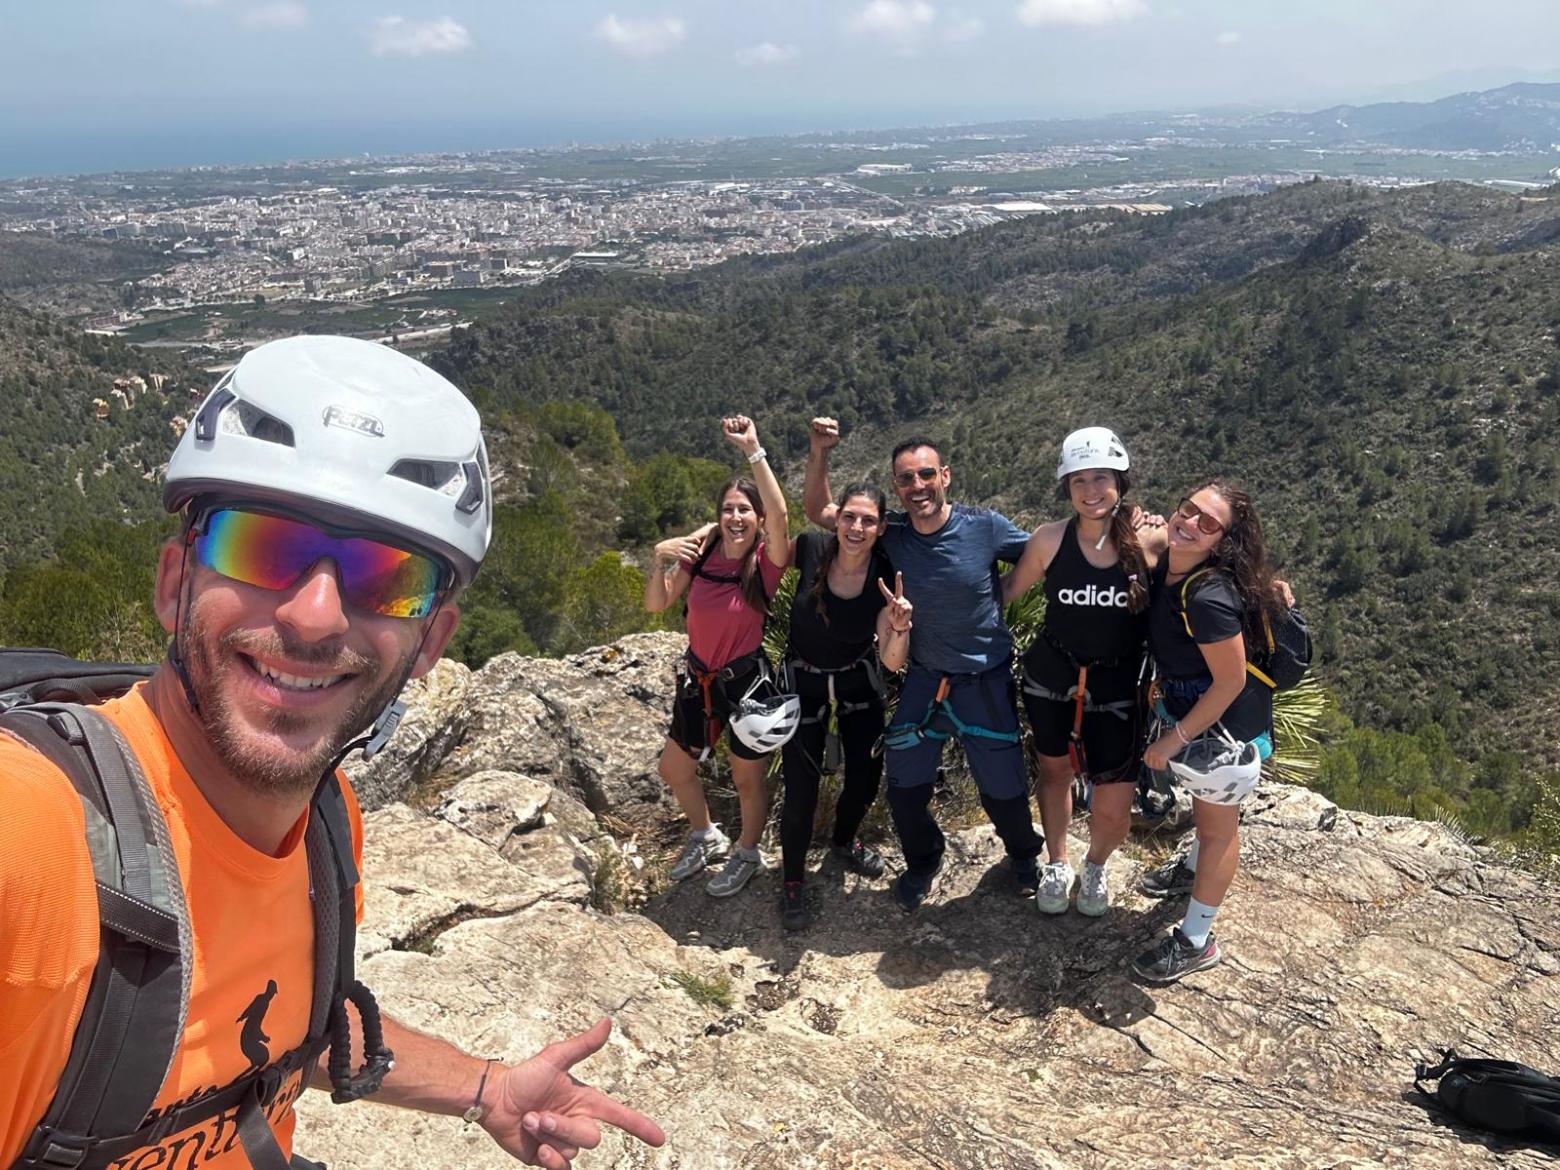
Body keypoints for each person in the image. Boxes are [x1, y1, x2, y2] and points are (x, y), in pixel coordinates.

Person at [0, 336, 665, 1170]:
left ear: (430, 642)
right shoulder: (32, 841)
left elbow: (277, 1021)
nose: (314, 616)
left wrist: (485, 1088)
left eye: (385, 576)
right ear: (175, 584)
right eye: (262, 547)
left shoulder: (322, 824)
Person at [805, 418, 1044, 912]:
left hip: (984, 677)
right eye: (906, 479)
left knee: (1003, 789)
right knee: (905, 785)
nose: (918, 486)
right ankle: (924, 857)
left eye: (926, 474)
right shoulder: (889, 532)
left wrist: (1010, 589)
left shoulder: (985, 528)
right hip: (926, 677)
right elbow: (819, 511)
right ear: (896, 486)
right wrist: (820, 452)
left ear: (946, 476)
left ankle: (1023, 854)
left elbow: (1046, 550)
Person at [1001, 428, 1166, 918]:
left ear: (1120, 481)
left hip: (1117, 687)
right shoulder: (1051, 540)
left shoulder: (1150, 540)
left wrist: (1271, 588)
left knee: (1114, 804)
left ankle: (1095, 863)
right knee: (1054, 772)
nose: (1091, 491)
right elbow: (1007, 591)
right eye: (1079, 481)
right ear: (1066, 487)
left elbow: (1206, 570)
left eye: (1101, 478)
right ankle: (1058, 860)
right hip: (1052, 676)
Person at [1133, 480, 1283, 984]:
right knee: (1208, 814)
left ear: (1222, 543)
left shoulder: (1207, 598)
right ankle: (1192, 869)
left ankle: (1197, 940)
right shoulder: (1177, 572)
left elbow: (1230, 680)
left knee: (1220, 831)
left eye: (1208, 522)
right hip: (1201, 719)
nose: (1191, 522)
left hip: (1224, 734)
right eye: (1188, 509)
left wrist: (1174, 739)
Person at [643, 416, 791, 898]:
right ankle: (706, 835)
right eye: (728, 509)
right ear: (718, 516)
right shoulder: (702, 557)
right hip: (698, 680)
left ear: (757, 518)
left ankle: (748, 852)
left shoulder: (764, 565)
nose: (736, 517)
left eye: (745, 509)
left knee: (747, 778)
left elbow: (781, 514)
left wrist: (753, 449)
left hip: (744, 682)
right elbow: (657, 604)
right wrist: (660, 558)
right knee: (674, 768)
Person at [777, 482, 912, 931]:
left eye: (868, 520)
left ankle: (843, 840)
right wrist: (757, 454)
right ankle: (792, 878)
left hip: (859, 680)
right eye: (850, 517)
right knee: (800, 789)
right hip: (805, 682)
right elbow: (773, 530)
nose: (857, 527)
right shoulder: (812, 549)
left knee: (865, 779)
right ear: (837, 519)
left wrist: (898, 627)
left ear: (880, 527)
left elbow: (892, 662)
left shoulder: (884, 574)